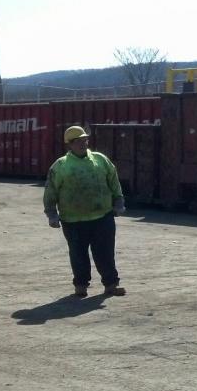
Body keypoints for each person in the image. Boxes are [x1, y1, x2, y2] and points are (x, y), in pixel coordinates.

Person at [43, 126, 126, 298]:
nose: (83, 144)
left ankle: (111, 285)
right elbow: (51, 191)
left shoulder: (100, 160)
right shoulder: (61, 166)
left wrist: (118, 201)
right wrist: (52, 214)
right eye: (78, 141)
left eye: (85, 140)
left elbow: (113, 181)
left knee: (105, 253)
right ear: (69, 144)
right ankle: (80, 286)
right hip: (73, 220)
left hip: (102, 217)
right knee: (78, 254)